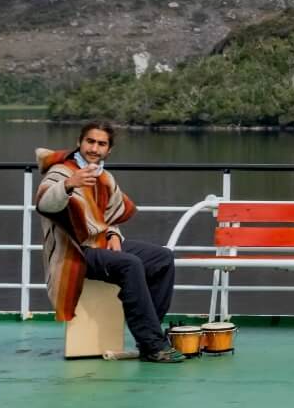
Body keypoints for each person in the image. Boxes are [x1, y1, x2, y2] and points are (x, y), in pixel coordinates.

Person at [35, 121, 185, 363]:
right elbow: (44, 203)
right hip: (74, 251)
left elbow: (108, 216)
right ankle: (153, 345)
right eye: (90, 141)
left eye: (101, 144)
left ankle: (150, 334)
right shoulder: (61, 172)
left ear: (109, 150)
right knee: (130, 264)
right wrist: (69, 185)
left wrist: (114, 233)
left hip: (101, 244)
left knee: (162, 258)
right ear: (79, 143)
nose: (94, 148)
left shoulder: (104, 177)